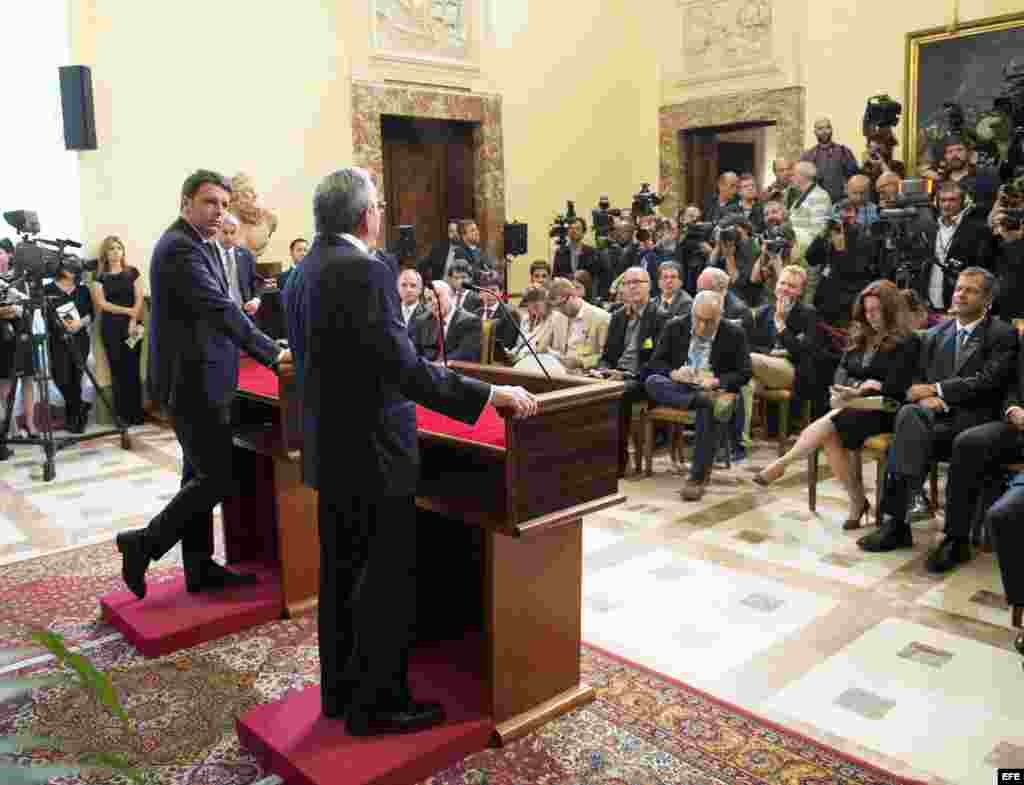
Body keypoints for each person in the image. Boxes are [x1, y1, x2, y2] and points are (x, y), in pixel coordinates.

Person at [286, 166, 536, 734]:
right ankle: (381, 706)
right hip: (375, 452)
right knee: (383, 582)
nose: (379, 213)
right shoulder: (366, 270)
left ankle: (342, 694)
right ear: (364, 215)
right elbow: (402, 368)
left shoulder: (303, 270)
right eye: (377, 204)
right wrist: (489, 393)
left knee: (341, 576)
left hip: (330, 446)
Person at [115, 170, 292, 602]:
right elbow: (219, 309)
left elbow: (225, 308)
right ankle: (142, 543)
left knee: (197, 476)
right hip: (191, 381)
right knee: (216, 478)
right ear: (186, 202)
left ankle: (199, 569)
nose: (218, 212)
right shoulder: (179, 248)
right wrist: (272, 353)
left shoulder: (201, 243)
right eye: (210, 203)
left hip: (206, 375)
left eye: (223, 205)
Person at [858, 267, 1018, 553]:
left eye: (971, 290)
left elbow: (989, 381)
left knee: (937, 436)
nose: (961, 294)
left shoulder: (1001, 333)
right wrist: (921, 397)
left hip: (976, 418)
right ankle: (899, 522)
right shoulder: (935, 334)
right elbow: (917, 380)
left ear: (988, 299)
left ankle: (953, 538)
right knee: (909, 414)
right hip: (936, 419)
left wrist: (938, 390)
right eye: (958, 288)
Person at [755, 281, 920, 528]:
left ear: (890, 309)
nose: (870, 315)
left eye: (876, 309)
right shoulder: (862, 336)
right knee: (831, 431)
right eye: (867, 310)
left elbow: (898, 386)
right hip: (854, 405)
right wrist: (847, 388)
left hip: (887, 409)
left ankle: (784, 463)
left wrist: (869, 387)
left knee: (831, 424)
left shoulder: (907, 341)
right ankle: (856, 500)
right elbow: (842, 369)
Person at [644, 290, 752, 500]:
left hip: (714, 389)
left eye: (709, 322)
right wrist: (674, 373)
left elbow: (745, 373)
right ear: (692, 313)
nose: (702, 327)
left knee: (707, 408)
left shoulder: (734, 333)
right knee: (652, 382)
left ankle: (697, 477)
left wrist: (717, 381)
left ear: (720, 316)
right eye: (698, 320)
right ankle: (700, 400)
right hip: (682, 387)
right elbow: (656, 363)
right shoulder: (675, 326)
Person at [590, 267, 667, 475]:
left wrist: (626, 375)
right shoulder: (617, 317)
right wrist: (603, 370)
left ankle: (618, 461)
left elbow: (659, 361)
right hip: (616, 374)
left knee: (619, 394)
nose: (632, 287)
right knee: (584, 388)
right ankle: (592, 454)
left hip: (643, 378)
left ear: (648, 286)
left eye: (637, 282)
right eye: (628, 283)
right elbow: (607, 355)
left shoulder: (660, 317)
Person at [91, 235, 146, 426]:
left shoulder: (133, 272)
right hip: (111, 327)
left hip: (133, 326)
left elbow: (139, 298)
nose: (115, 252)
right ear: (105, 253)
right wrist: (126, 310)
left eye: (118, 248)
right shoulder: (99, 276)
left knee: (132, 369)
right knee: (117, 370)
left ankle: (136, 414)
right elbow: (102, 303)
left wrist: (132, 319)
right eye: (111, 249)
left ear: (123, 251)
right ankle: (121, 416)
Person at [44, 264, 94, 433]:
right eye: (69, 266)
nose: (73, 270)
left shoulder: (83, 290)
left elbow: (91, 314)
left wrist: (80, 323)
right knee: (62, 378)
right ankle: (81, 408)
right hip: (57, 340)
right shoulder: (47, 289)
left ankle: (75, 419)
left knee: (76, 377)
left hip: (80, 339)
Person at [547, 276, 611, 372]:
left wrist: (581, 362)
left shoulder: (601, 318)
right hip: (559, 372)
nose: (560, 310)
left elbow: (606, 358)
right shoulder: (558, 317)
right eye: (556, 307)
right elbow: (551, 348)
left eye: (561, 305)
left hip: (586, 375)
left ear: (573, 295)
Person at [801, 117, 859, 203]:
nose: (824, 131)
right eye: (820, 129)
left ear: (831, 130)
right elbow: (802, 182)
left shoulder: (844, 151)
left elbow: (854, 178)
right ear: (815, 132)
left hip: (841, 203)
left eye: (827, 127)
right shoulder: (808, 156)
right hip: (816, 203)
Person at [219, 213, 264, 316]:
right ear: (217, 232)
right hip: (219, 315)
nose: (228, 237)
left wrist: (256, 300)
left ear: (237, 234)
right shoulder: (210, 254)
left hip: (245, 313)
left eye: (232, 232)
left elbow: (257, 281)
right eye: (225, 232)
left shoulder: (245, 255)